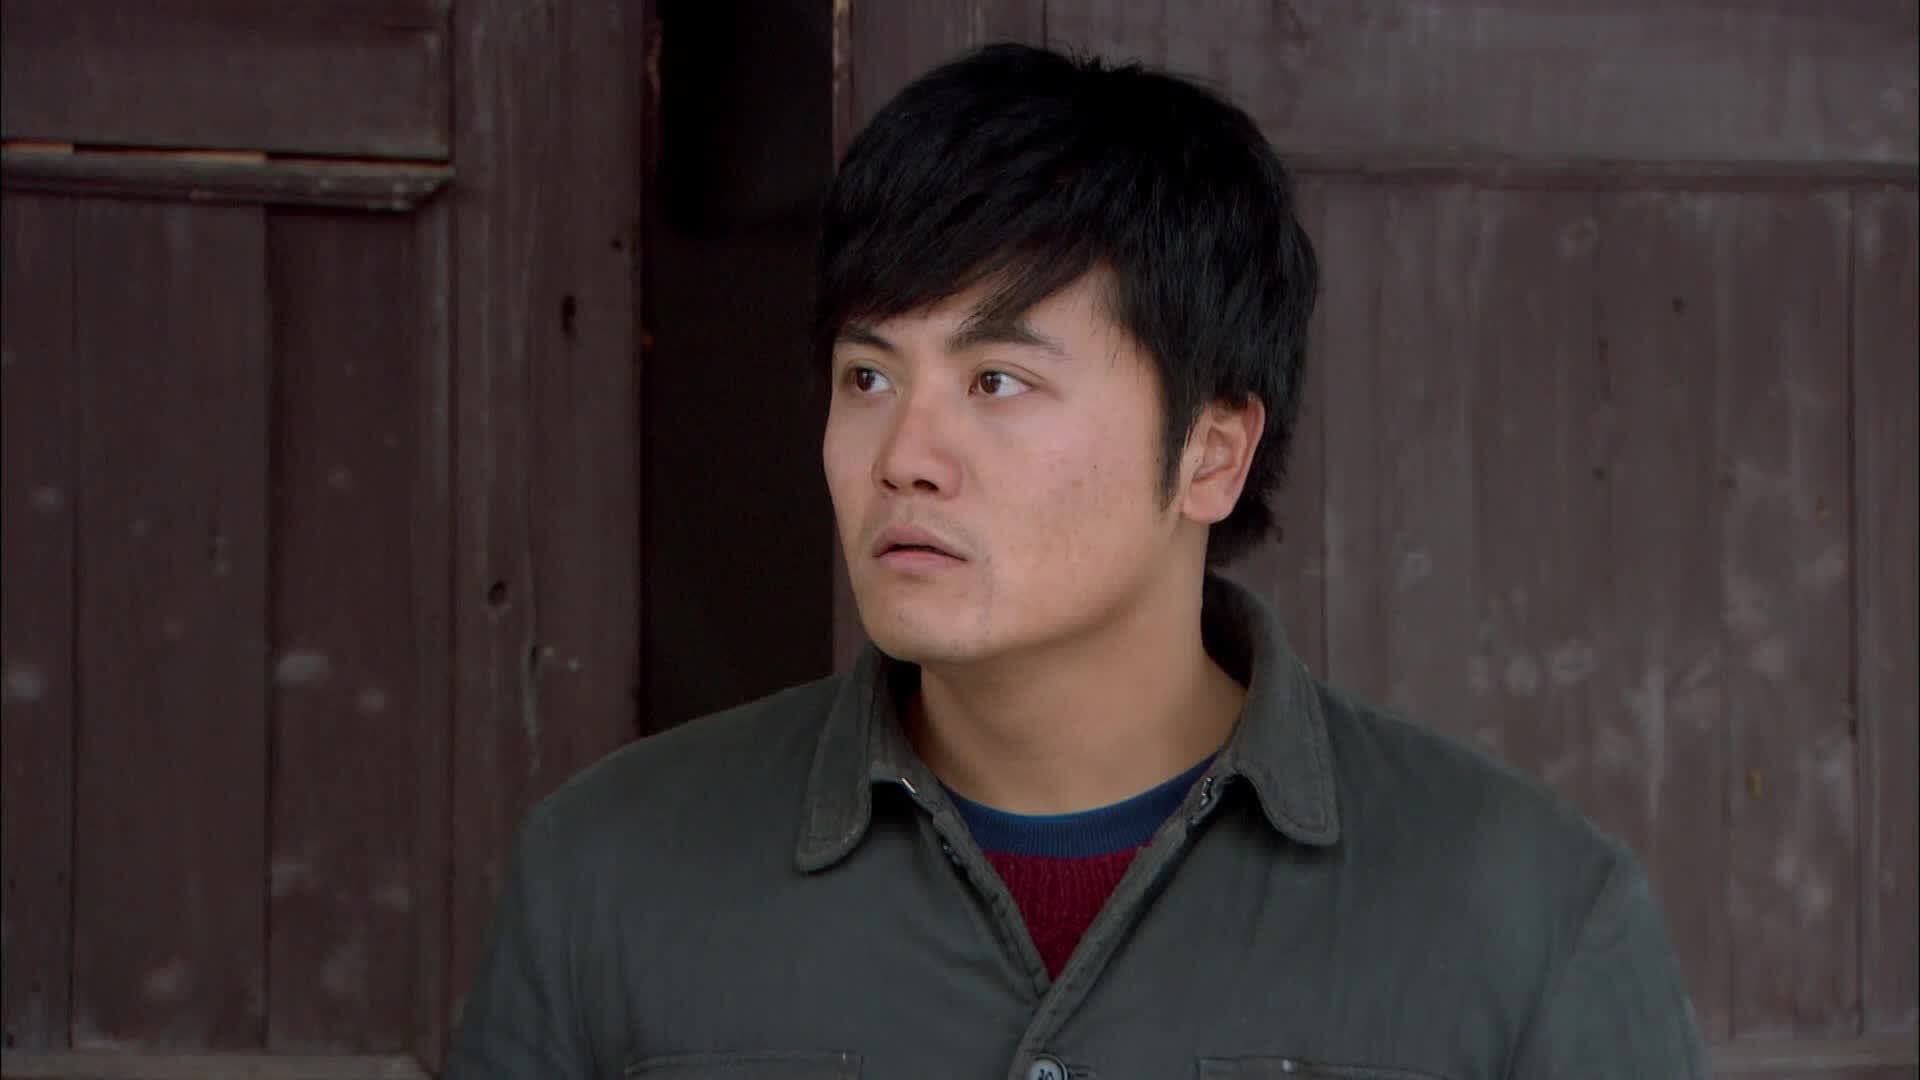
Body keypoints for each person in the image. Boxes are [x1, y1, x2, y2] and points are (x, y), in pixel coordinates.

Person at [448, 43, 1707, 1079]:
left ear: (1211, 454)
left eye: (997, 381)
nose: (905, 457)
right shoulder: (609, 878)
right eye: (869, 377)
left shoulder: (1528, 917)